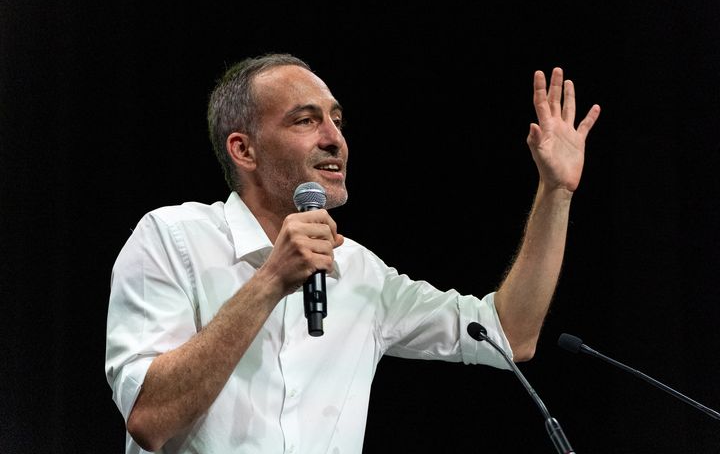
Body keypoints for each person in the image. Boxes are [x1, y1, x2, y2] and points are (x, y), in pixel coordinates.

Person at [105, 52, 601, 454]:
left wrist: (555, 193)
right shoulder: (172, 238)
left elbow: (509, 333)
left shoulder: (362, 273)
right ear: (244, 149)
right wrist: (270, 280)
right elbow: (150, 419)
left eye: (337, 121)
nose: (334, 139)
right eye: (305, 120)